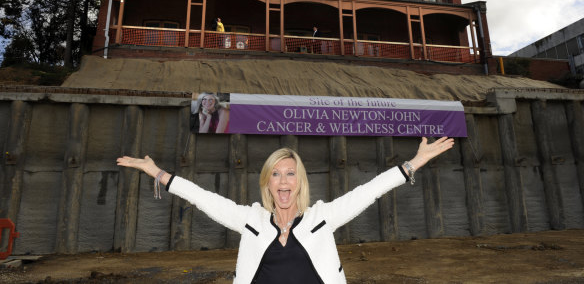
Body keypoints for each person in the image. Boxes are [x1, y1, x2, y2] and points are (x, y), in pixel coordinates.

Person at [116, 136, 454, 283]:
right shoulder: (250, 220)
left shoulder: (322, 217)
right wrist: (158, 173)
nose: (283, 181)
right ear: (266, 183)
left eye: (290, 173)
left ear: (300, 182)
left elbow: (369, 192)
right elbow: (203, 198)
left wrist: (414, 163)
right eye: (275, 174)